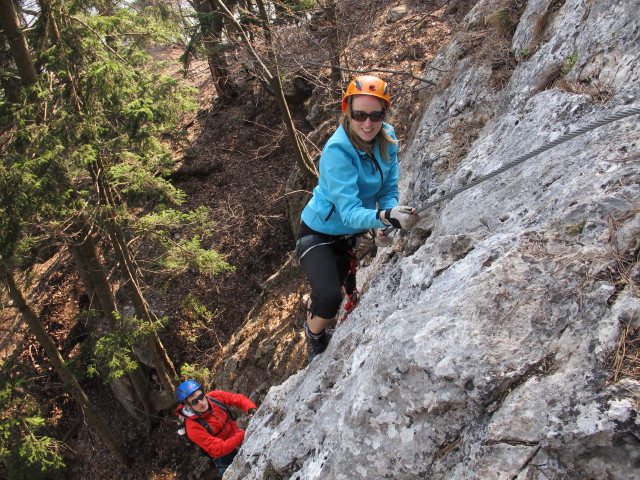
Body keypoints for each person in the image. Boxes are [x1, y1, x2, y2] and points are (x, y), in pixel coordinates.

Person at [295, 75, 418, 362]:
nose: (367, 123)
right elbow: (349, 212)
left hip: (348, 232)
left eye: (376, 115)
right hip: (318, 231)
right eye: (359, 114)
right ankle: (314, 337)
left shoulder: (387, 140)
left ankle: (318, 324)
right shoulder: (337, 151)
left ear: (384, 115)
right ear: (347, 111)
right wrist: (383, 216)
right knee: (329, 296)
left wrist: (386, 221)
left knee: (333, 292)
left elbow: (388, 189)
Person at [175, 380, 257, 473]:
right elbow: (218, 448)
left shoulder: (214, 397)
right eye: (194, 402)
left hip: (236, 435)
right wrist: (243, 434)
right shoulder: (193, 428)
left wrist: (251, 409)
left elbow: (237, 399)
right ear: (188, 406)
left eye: (201, 397)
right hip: (224, 455)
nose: (201, 403)